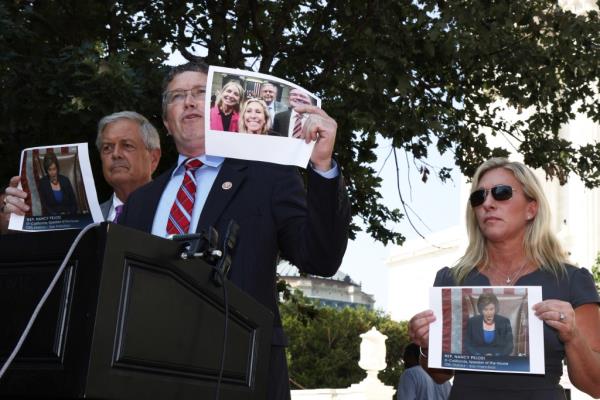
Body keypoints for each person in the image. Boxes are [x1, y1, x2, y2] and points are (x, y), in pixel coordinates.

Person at [118, 61, 351, 400]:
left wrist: (323, 166)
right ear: (166, 123)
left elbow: (320, 257)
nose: (189, 102)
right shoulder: (140, 202)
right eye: (177, 96)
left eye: (200, 92)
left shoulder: (269, 179)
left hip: (238, 372)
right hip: (147, 371)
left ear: (215, 108)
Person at [408, 157, 600, 400]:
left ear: (532, 208)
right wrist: (426, 345)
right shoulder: (451, 279)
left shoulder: (571, 280)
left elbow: (596, 386)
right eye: (479, 197)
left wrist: (573, 336)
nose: (488, 203)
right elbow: (440, 374)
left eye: (501, 193)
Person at [1, 111, 161, 230]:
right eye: (107, 148)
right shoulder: (83, 221)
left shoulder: (175, 211)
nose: (115, 154)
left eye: (127, 145)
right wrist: (19, 222)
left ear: (153, 158)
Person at [464, 292, 513, 356]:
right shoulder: (472, 322)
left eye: (491, 309)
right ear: (481, 310)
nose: (489, 313)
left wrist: (496, 355)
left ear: (495, 309)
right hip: (478, 360)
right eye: (485, 309)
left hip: (499, 359)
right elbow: (467, 345)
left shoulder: (504, 321)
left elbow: (509, 346)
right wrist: (479, 356)